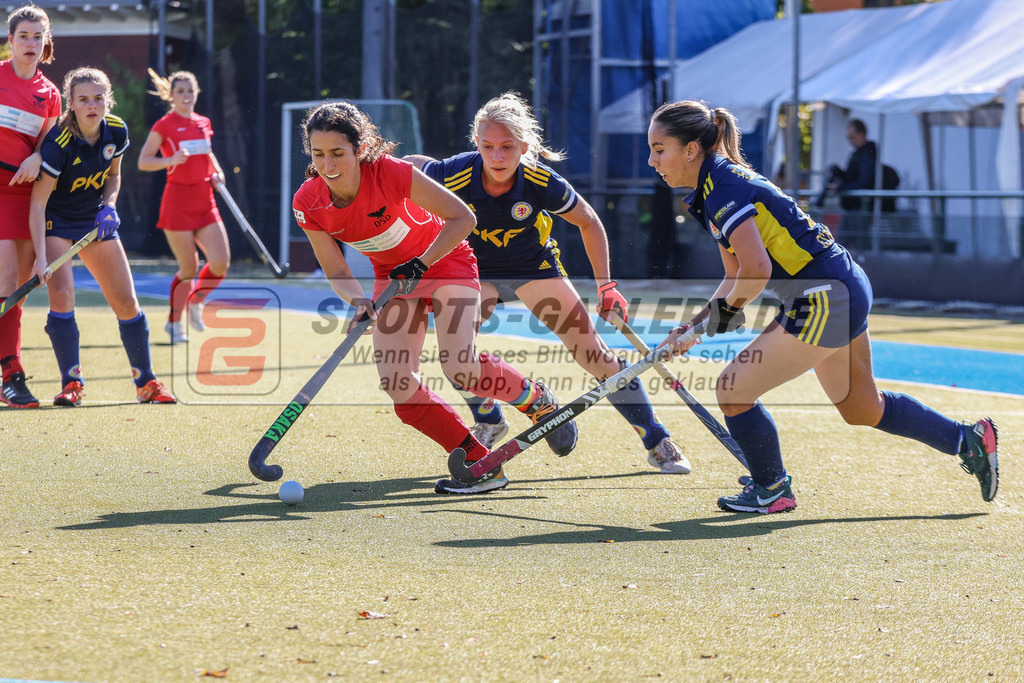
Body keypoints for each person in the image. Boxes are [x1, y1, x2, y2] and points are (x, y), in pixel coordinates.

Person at [647, 100, 998, 514]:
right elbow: (735, 274)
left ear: (691, 149)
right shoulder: (710, 190)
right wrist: (691, 326)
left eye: (659, 149)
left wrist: (708, 326)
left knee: (733, 389)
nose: (652, 161)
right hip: (840, 286)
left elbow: (757, 272)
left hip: (823, 296)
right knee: (862, 407)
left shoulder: (723, 187)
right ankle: (967, 440)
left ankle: (772, 489)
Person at [292, 101, 577, 494]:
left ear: (360, 149)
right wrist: (359, 301)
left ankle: (536, 399)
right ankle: (479, 463)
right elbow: (337, 270)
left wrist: (421, 262)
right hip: (393, 279)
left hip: (446, 263)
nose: (328, 165)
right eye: (318, 154)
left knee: (460, 367)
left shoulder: (391, 172)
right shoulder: (308, 202)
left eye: (338, 153)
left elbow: (464, 218)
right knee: (398, 385)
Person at [404, 92, 690, 474]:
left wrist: (606, 287)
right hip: (475, 272)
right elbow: (411, 167)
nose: (497, 156)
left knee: (594, 355)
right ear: (476, 144)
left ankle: (656, 440)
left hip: (533, 267)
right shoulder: (454, 172)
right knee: (458, 353)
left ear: (524, 147)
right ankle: (489, 419)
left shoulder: (540, 179)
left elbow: (589, 222)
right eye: (488, 147)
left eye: (508, 147)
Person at [29, 67, 177, 406]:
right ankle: (71, 383)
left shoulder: (116, 130)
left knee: (126, 301)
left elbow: (113, 176)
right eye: (83, 99)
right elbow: (37, 204)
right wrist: (40, 257)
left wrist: (109, 206)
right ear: (71, 103)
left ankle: (146, 382)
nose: (92, 105)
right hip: (56, 221)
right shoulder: (58, 143)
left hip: (94, 221)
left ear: (107, 99)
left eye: (98, 98)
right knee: (62, 297)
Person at [137, 69, 230, 344]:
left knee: (221, 262)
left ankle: (196, 300)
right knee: (189, 268)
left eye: (190, 90)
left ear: (197, 92)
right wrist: (171, 160)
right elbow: (143, 161)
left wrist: (217, 172)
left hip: (205, 200)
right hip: (177, 202)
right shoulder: (164, 125)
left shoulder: (203, 122)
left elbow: (207, 153)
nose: (186, 96)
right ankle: (174, 323)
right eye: (180, 91)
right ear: (171, 96)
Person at [0, 5, 61, 408]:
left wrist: (38, 156)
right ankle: (12, 374)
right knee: (6, 281)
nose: (30, 43)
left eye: (38, 36)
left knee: (16, 295)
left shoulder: (50, 94)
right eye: (23, 35)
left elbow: (46, 145)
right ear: (10, 40)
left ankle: (8, 368)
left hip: (25, 198)